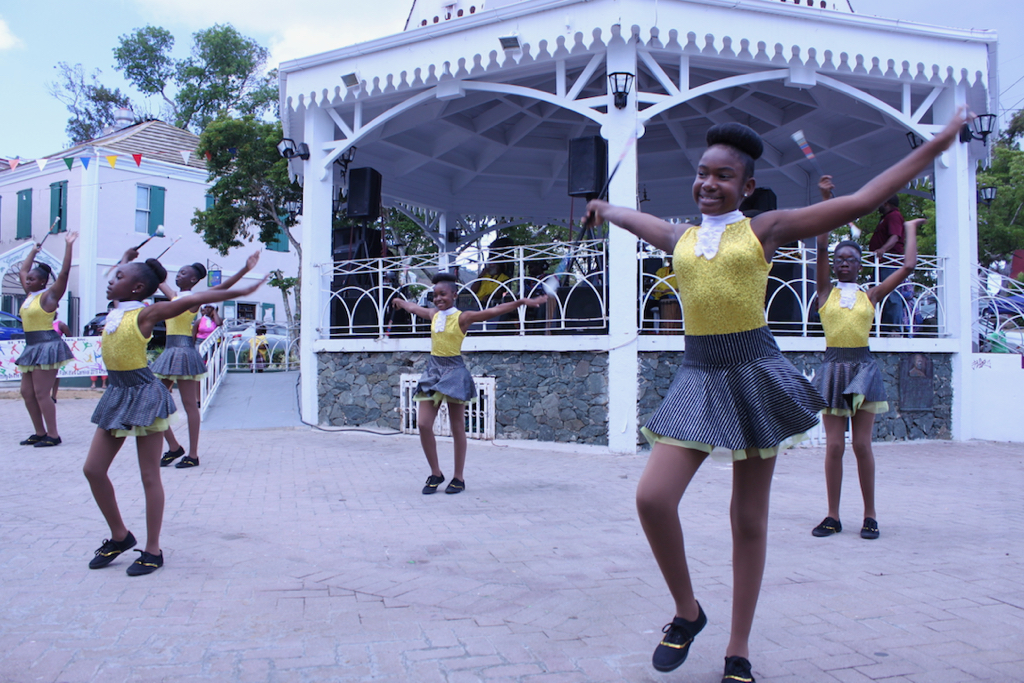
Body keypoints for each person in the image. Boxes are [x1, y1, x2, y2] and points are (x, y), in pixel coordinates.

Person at [582, 109, 966, 683]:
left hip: (753, 373)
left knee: (749, 520)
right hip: (698, 376)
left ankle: (738, 650)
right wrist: (604, 208)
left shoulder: (764, 229)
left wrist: (933, 147)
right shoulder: (681, 238)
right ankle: (688, 612)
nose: (709, 183)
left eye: (723, 176)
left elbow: (860, 202)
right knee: (653, 498)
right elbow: (640, 221)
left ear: (747, 186)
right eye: (702, 173)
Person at [83, 257, 266, 576]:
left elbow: (195, 298)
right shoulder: (116, 309)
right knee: (93, 470)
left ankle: (153, 550)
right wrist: (129, 258)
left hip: (143, 394)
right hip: (116, 394)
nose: (112, 280)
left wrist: (243, 288)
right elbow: (132, 266)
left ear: (137, 288)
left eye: (120, 276)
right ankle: (120, 536)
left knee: (149, 475)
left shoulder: (146, 313)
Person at [811, 205, 923, 541]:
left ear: (860, 265)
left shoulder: (871, 295)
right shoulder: (824, 293)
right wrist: (828, 202)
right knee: (833, 448)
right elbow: (819, 247)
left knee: (861, 445)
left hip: (863, 370)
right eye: (839, 259)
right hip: (833, 369)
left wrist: (911, 228)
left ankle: (870, 516)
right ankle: (832, 516)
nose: (844, 263)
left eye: (850, 259)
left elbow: (909, 265)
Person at [391, 272, 547, 495]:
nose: (438, 299)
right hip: (433, 370)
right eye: (435, 296)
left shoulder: (462, 318)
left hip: (454, 372)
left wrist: (521, 301)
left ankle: (458, 477)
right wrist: (399, 302)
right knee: (424, 424)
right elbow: (414, 308)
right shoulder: (434, 314)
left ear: (454, 295)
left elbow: (491, 311)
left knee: (457, 428)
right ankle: (436, 472)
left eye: (443, 294)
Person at [151, 251, 260, 469]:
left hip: (183, 352)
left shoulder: (192, 300)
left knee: (190, 405)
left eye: (183, 272)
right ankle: (174, 447)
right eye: (178, 272)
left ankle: (193, 454)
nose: (178, 274)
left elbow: (223, 287)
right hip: (169, 352)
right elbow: (160, 278)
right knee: (153, 401)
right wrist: (151, 265)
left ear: (193, 280)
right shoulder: (173, 296)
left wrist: (245, 270)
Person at [15, 232, 78, 447]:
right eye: (28, 279)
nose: (27, 280)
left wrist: (68, 245)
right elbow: (23, 270)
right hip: (32, 346)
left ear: (43, 282)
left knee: (42, 393)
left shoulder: (49, 296)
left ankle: (53, 434)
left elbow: (65, 273)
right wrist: (33, 251)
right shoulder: (29, 295)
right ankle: (39, 432)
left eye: (32, 279)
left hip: (47, 346)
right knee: (26, 392)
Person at [868, 194, 906, 334]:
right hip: (881, 263)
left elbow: (895, 236)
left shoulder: (894, 216)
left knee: (891, 294)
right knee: (876, 293)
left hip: (890, 262)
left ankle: (893, 329)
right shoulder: (886, 217)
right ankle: (880, 327)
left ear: (886, 203)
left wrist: (883, 249)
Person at [50, 318, 71, 403]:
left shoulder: (60, 325)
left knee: (55, 374)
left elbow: (70, 337)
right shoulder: (42, 322)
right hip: (44, 350)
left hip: (56, 350)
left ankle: (53, 396)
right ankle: (45, 395)